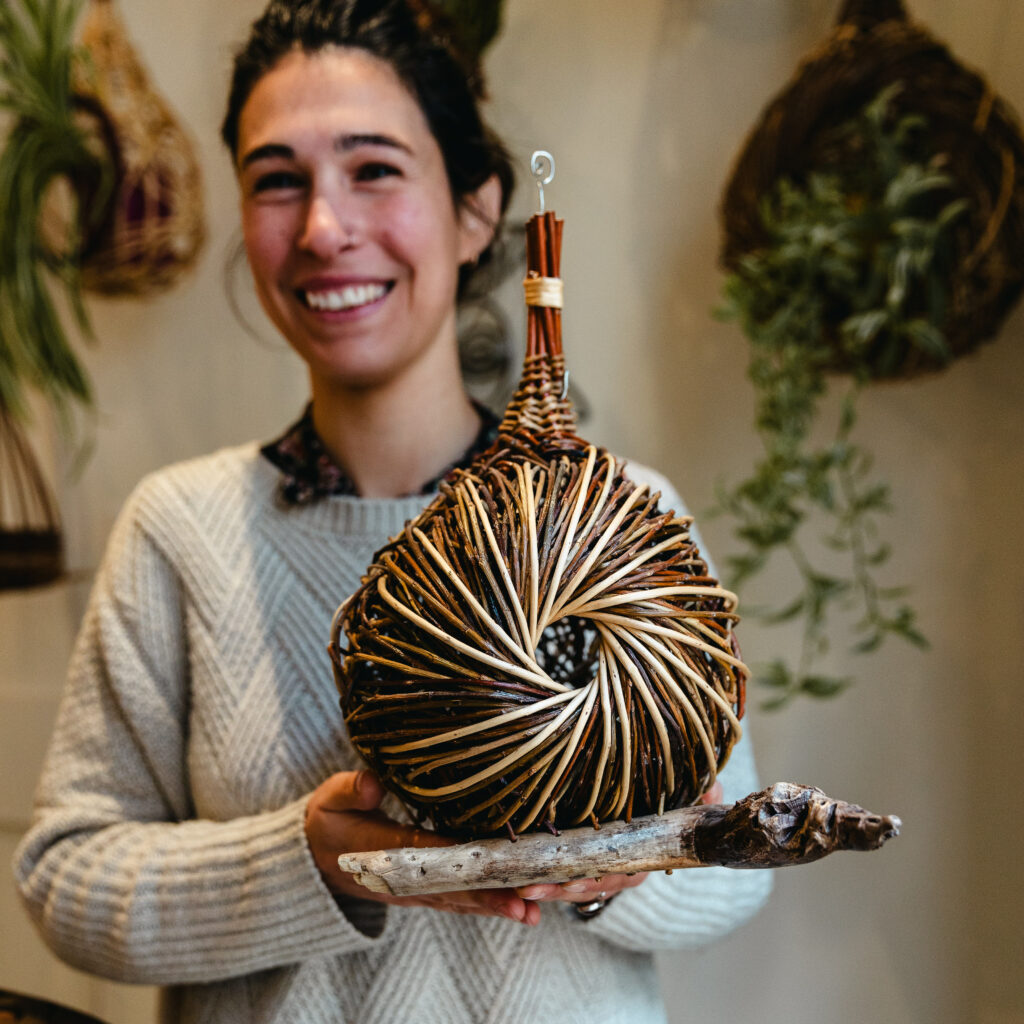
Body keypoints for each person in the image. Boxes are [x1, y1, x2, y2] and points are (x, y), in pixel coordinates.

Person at [13, 1, 772, 1021]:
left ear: (474, 210)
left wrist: (616, 869)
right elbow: (68, 878)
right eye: (278, 179)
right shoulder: (178, 529)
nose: (324, 229)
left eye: (374, 169)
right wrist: (310, 862)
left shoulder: (618, 519)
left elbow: (740, 864)